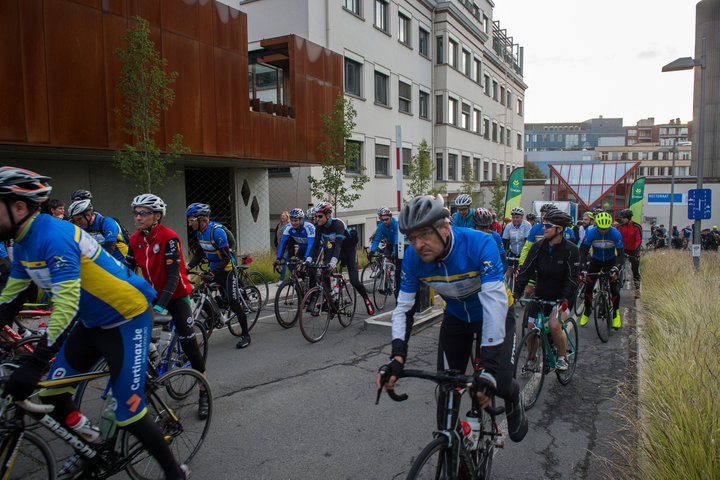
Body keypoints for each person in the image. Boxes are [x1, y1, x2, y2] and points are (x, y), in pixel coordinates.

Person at [0, 167, 188, 479]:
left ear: (19, 207)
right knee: (51, 395)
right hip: (93, 322)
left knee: (130, 411)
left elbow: (66, 303)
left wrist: (35, 363)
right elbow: (11, 298)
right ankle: (93, 445)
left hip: (127, 318)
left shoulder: (53, 236)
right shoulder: (22, 243)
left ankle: (175, 473)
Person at [375, 194, 527, 443]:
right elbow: (404, 308)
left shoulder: (480, 243)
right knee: (446, 389)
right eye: (412, 238)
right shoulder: (414, 258)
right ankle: (453, 449)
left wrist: (487, 367)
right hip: (456, 318)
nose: (418, 244)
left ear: (446, 227)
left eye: (424, 234)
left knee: (498, 381)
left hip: (495, 314)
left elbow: (493, 305)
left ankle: (514, 396)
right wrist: (397, 356)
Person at [125, 194, 209, 419]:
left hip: (176, 295)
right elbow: (126, 270)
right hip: (153, 294)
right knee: (136, 335)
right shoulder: (134, 240)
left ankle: (204, 392)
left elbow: (173, 277)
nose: (138, 217)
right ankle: (153, 368)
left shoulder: (169, 238)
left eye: (143, 213)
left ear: (157, 216)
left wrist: (160, 308)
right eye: (136, 212)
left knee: (188, 342)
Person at [513, 209, 579, 371]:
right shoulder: (538, 247)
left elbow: (572, 280)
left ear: (560, 229)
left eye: (548, 225)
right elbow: (526, 271)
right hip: (541, 294)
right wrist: (516, 293)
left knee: (555, 324)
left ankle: (562, 357)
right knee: (531, 327)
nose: (544, 228)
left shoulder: (571, 250)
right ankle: (532, 358)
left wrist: (563, 299)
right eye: (543, 224)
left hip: (562, 296)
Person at [185, 203, 251, 349]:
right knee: (201, 290)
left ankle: (246, 335)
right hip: (214, 269)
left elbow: (226, 257)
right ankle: (213, 316)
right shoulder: (200, 232)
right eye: (189, 221)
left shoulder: (217, 232)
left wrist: (212, 273)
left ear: (201, 219)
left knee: (234, 302)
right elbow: (199, 253)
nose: (190, 224)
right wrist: (188, 267)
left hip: (227, 270)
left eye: (191, 221)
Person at [305, 202, 375, 315]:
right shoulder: (319, 227)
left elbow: (338, 245)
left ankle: (367, 300)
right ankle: (329, 298)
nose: (317, 219)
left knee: (354, 281)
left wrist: (333, 262)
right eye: (316, 216)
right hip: (332, 248)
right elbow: (315, 245)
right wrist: (308, 260)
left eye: (319, 216)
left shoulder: (338, 224)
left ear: (328, 215)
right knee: (324, 271)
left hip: (348, 250)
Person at [579, 211, 624, 329]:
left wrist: (616, 268)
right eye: (601, 229)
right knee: (588, 286)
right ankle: (587, 310)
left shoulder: (616, 234)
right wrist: (583, 269)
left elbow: (621, 255)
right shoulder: (591, 233)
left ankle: (615, 314)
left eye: (606, 229)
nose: (603, 231)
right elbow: (583, 252)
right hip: (596, 260)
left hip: (611, 260)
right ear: (596, 226)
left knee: (614, 287)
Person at [274, 208, 315, 279]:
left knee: (311, 270)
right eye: (292, 220)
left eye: (295, 220)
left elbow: (310, 245)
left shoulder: (309, 227)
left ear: (301, 219)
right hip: (301, 249)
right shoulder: (288, 227)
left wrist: (305, 259)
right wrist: (278, 259)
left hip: (313, 249)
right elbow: (283, 243)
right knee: (297, 268)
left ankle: (316, 288)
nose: (293, 223)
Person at [472, 208, 507, 272]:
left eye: (486, 227)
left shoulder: (495, 236)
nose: (484, 231)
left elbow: (504, 262)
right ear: (474, 226)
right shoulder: (469, 235)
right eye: (480, 228)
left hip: (489, 271)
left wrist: (499, 276)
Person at [616, 209, 642, 292]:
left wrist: (637, 253)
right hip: (622, 249)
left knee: (635, 269)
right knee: (616, 266)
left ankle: (637, 287)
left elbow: (639, 240)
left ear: (628, 218)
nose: (622, 220)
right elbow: (616, 238)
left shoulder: (636, 226)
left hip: (633, 250)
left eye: (624, 218)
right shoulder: (619, 227)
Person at [502, 207, 531, 279]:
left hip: (523, 251)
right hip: (513, 251)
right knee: (508, 269)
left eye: (517, 217)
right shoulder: (509, 226)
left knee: (522, 270)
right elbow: (505, 241)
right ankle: (507, 286)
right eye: (513, 217)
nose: (515, 219)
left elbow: (527, 241)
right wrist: (505, 252)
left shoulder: (527, 225)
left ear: (522, 217)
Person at [274, 211, 290, 283]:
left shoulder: (288, 225)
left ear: (287, 217)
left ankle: (282, 280)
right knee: (285, 263)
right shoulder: (278, 225)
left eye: (283, 216)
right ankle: (295, 275)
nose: (282, 217)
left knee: (283, 261)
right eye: (281, 216)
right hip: (280, 246)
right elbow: (275, 236)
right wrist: (276, 246)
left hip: (287, 247)